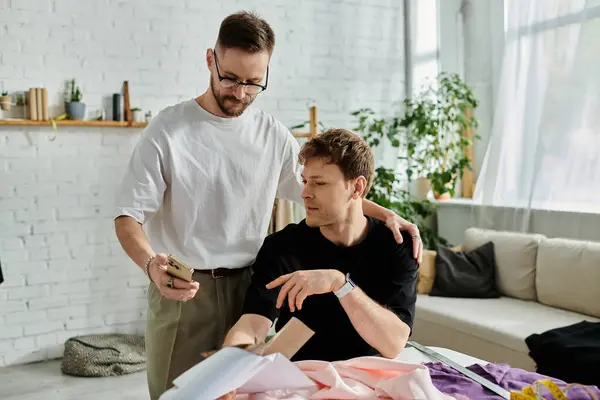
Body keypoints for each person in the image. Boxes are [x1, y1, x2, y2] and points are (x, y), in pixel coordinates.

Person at [113, 11, 423, 400]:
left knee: (237, 391)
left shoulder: (272, 134)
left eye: (253, 83)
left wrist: (386, 213)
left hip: (250, 282)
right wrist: (149, 264)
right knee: (179, 395)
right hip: (184, 292)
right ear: (211, 59)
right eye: (230, 78)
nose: (240, 92)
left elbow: (318, 193)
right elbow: (128, 216)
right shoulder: (168, 129)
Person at [222, 128, 418, 364]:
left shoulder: (395, 246)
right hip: (298, 379)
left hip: (368, 380)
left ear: (357, 188)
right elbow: (253, 323)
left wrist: (340, 284)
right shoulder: (283, 246)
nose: (305, 193)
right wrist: (229, 365)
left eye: (319, 183)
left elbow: (394, 344)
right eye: (305, 181)